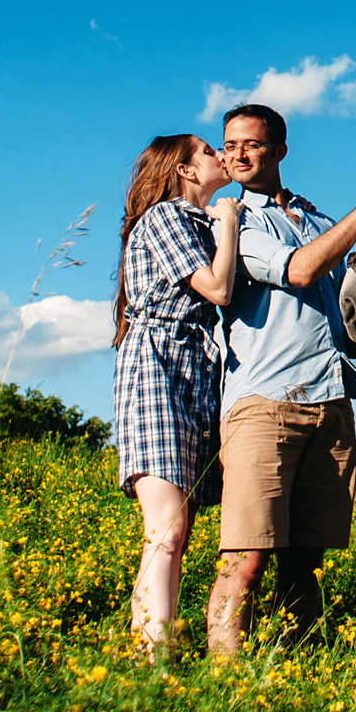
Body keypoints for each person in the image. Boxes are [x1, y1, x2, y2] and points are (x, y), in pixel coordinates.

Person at [205, 101, 356, 655]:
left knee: (306, 563)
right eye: (229, 145)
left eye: (252, 144)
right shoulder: (232, 219)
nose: (237, 154)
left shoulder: (318, 221)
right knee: (245, 559)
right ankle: (221, 684)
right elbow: (300, 270)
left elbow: (343, 322)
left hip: (330, 402)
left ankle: (297, 674)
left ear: (280, 151)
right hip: (264, 403)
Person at [111, 133, 242, 657]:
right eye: (209, 151)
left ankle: (155, 645)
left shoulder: (196, 223)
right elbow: (217, 288)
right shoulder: (166, 217)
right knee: (166, 525)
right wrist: (230, 224)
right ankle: (150, 659)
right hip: (158, 366)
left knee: (178, 527)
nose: (220, 156)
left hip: (192, 369)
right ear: (186, 171)